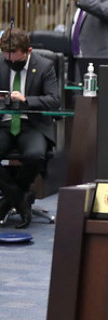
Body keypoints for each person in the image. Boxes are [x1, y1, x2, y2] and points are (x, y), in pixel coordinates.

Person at [0, 29, 60, 229]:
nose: (10, 62)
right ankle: (20, 199)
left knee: (35, 155)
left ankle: (9, 200)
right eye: (6, 58)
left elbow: (54, 100)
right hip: (4, 122)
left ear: (28, 51)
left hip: (32, 123)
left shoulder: (44, 66)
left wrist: (26, 100)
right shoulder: (0, 62)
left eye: (15, 60)